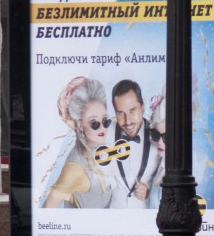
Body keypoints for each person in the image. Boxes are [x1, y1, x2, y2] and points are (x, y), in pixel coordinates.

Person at [43, 77, 114, 209]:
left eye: (105, 121)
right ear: (80, 125)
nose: (102, 128)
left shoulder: (102, 150)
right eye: (94, 123)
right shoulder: (75, 166)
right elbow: (47, 209)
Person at [109, 79, 163, 209]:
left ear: (142, 108)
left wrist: (149, 192)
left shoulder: (159, 135)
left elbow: (165, 179)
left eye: (132, 110)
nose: (127, 121)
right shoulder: (104, 132)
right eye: (120, 113)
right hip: (112, 221)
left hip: (146, 220)